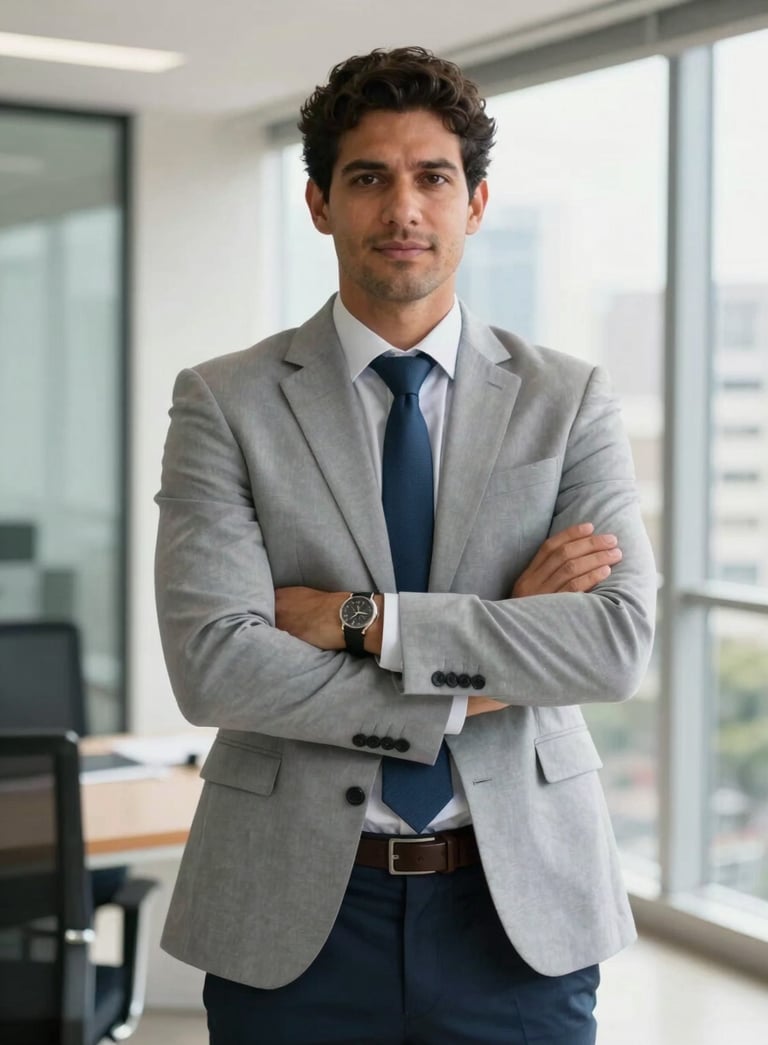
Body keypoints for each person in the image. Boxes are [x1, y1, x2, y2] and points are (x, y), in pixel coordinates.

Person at [155, 45, 656, 1045]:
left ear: (474, 203)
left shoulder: (569, 399)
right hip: (294, 907)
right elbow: (216, 667)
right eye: (369, 178)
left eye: (433, 177)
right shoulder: (224, 400)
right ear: (318, 203)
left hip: (517, 912)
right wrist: (488, 661)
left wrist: (360, 621)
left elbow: (611, 643)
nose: (403, 209)